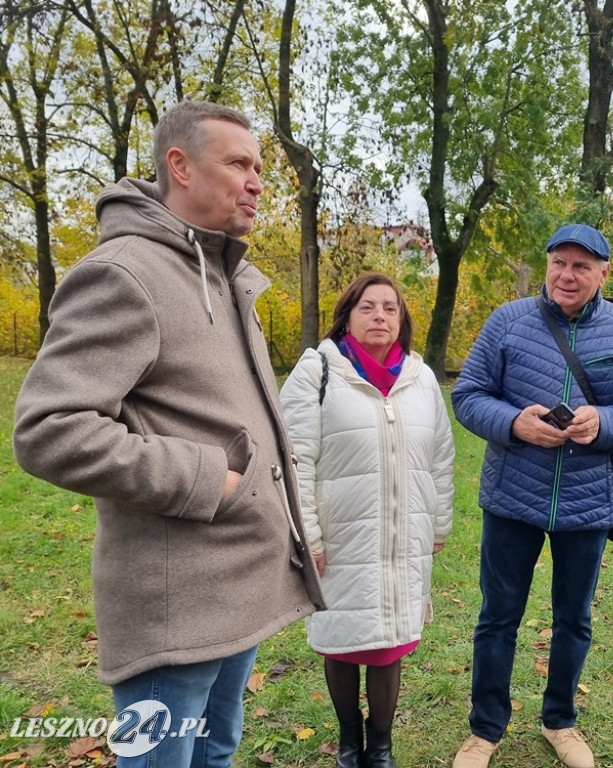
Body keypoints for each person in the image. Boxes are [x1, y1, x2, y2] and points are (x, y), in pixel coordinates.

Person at [12, 100, 325, 768]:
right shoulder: (124, 274)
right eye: (239, 163)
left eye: (259, 166)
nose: (258, 181)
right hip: (174, 611)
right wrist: (214, 481)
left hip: (240, 588)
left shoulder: (224, 275)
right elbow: (48, 428)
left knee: (216, 753)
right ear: (178, 166)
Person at [449, 224, 613, 768]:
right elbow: (469, 395)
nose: (567, 276)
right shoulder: (507, 322)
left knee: (574, 619)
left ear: (603, 274)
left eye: (582, 267)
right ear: (547, 266)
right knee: (498, 616)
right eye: (559, 264)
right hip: (512, 498)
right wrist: (514, 423)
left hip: (588, 502)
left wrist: (606, 422)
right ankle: (485, 730)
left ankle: (560, 721)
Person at [279, 273, 455, 768]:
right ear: (348, 317)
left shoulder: (421, 381)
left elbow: (440, 459)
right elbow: (294, 462)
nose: (380, 316)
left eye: (390, 309)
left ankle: (380, 746)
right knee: (342, 640)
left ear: (402, 321)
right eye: (368, 307)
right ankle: (349, 741)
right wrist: (306, 534)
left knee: (389, 645)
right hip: (339, 539)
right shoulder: (318, 372)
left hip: (404, 538)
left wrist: (437, 524)